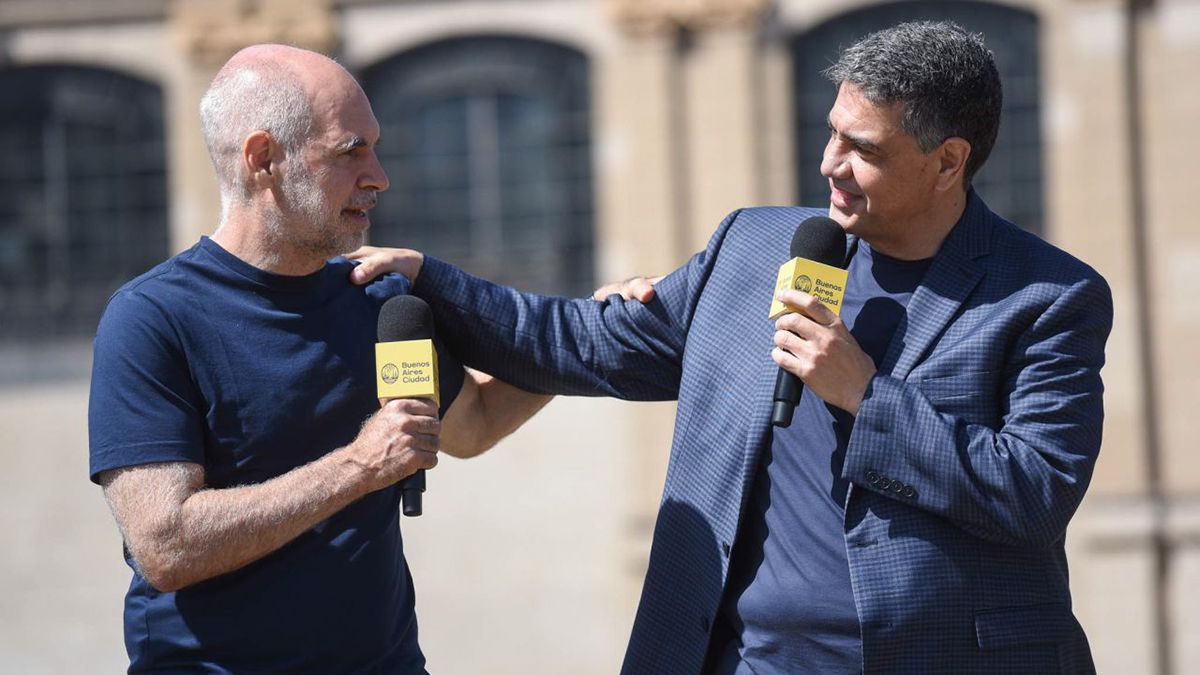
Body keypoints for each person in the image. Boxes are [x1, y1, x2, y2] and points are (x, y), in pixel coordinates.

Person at [349, 21, 1112, 674]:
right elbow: (584, 342)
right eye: (832, 132)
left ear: (948, 161)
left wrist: (865, 395)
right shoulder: (756, 247)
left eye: (863, 148)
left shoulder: (1047, 297)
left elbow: (1036, 492)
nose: (830, 165)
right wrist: (437, 281)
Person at [88, 44, 549, 672]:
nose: (379, 176)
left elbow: (472, 425)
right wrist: (359, 466)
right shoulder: (152, 318)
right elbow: (165, 546)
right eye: (350, 151)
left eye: (375, 147)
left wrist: (589, 332)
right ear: (264, 160)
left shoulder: (381, 303)